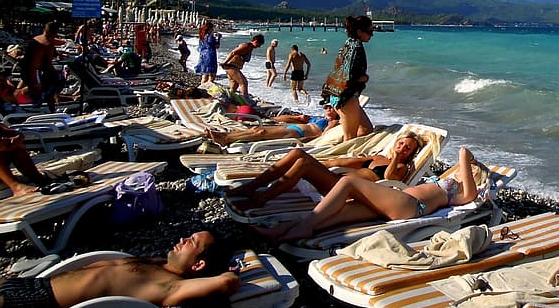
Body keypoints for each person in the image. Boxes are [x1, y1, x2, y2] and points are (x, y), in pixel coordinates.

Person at [0, 231, 239, 308]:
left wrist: (235, 268)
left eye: (191, 241)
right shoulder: (156, 266)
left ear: (199, 265)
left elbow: (227, 281)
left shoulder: (170, 286)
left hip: (37, 303)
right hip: (33, 284)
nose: (181, 239)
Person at [259, 146, 479, 243]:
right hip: (396, 202)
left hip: (411, 205)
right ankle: (282, 230)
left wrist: (467, 159)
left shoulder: (458, 192)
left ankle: (305, 225)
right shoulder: (447, 183)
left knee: (348, 181)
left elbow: (469, 193)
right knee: (341, 212)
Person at [229, 131, 423, 208]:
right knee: (298, 154)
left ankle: (262, 198)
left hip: (347, 191)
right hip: (335, 180)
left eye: (408, 148)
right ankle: (253, 186)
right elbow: (345, 161)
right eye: (401, 143)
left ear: (410, 153)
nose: (403, 148)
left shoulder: (402, 167)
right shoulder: (377, 157)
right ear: (396, 141)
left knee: (303, 164)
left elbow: (390, 178)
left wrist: (397, 157)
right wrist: (320, 164)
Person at [322, 15, 374, 141]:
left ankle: (347, 152)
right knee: (350, 137)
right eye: (370, 31)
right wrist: (364, 78)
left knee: (366, 129)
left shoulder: (347, 44)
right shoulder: (356, 48)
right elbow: (349, 76)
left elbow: (340, 70)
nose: (372, 35)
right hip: (346, 97)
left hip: (336, 93)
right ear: (359, 32)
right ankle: (342, 156)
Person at [205, 104, 340, 147]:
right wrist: (274, 119)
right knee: (256, 129)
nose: (328, 109)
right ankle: (225, 136)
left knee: (261, 134)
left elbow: (324, 136)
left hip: (299, 134)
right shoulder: (316, 117)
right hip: (292, 127)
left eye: (331, 108)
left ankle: (226, 139)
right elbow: (292, 118)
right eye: (326, 107)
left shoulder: (332, 122)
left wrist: (306, 142)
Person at [21, 21, 63, 111]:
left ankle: (46, 106)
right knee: (44, 87)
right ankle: (39, 109)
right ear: (55, 33)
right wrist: (55, 73)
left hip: (25, 67)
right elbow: (48, 63)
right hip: (34, 71)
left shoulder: (37, 38)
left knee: (35, 87)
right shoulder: (47, 44)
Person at [221, 34, 265, 99]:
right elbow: (233, 53)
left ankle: (229, 98)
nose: (259, 46)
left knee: (235, 85)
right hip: (231, 66)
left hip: (235, 67)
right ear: (255, 41)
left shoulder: (250, 48)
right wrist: (225, 62)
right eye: (259, 44)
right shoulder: (246, 46)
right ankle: (245, 100)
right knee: (244, 83)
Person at [194, 21, 221, 86]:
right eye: (212, 28)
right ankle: (207, 88)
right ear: (210, 28)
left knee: (204, 74)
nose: (212, 30)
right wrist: (218, 38)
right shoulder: (210, 36)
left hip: (203, 56)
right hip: (210, 56)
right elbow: (217, 46)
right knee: (212, 75)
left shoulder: (202, 36)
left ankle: (201, 88)